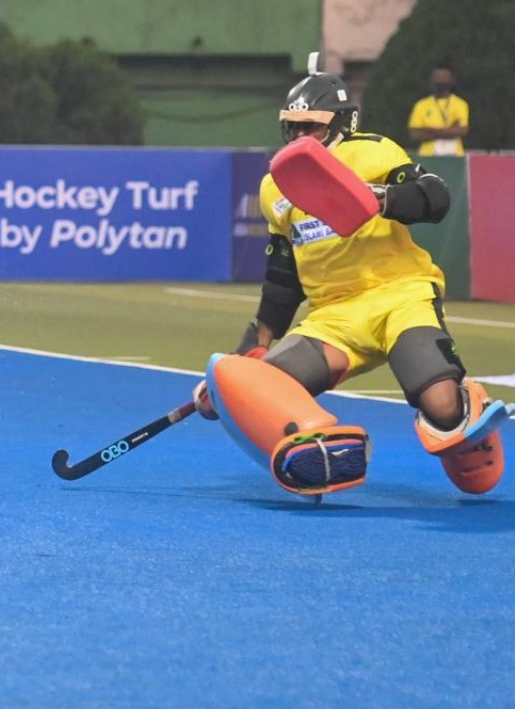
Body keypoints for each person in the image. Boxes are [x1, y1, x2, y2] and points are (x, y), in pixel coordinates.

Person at [192, 59, 508, 498]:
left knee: (441, 409)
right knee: (258, 391)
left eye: (312, 128)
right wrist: (240, 369)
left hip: (400, 296)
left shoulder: (375, 152)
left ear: (342, 125)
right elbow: (282, 279)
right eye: (293, 128)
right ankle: (317, 455)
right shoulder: (273, 188)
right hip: (333, 320)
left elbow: (436, 198)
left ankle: (459, 405)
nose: (301, 138)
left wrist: (378, 198)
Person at [408, 63, 469, 157]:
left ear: (451, 80)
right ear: (432, 79)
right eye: (437, 77)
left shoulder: (460, 104)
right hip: (428, 156)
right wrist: (449, 130)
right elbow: (415, 134)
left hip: (455, 156)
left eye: (444, 77)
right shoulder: (421, 105)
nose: (440, 80)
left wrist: (428, 129)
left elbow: (461, 131)